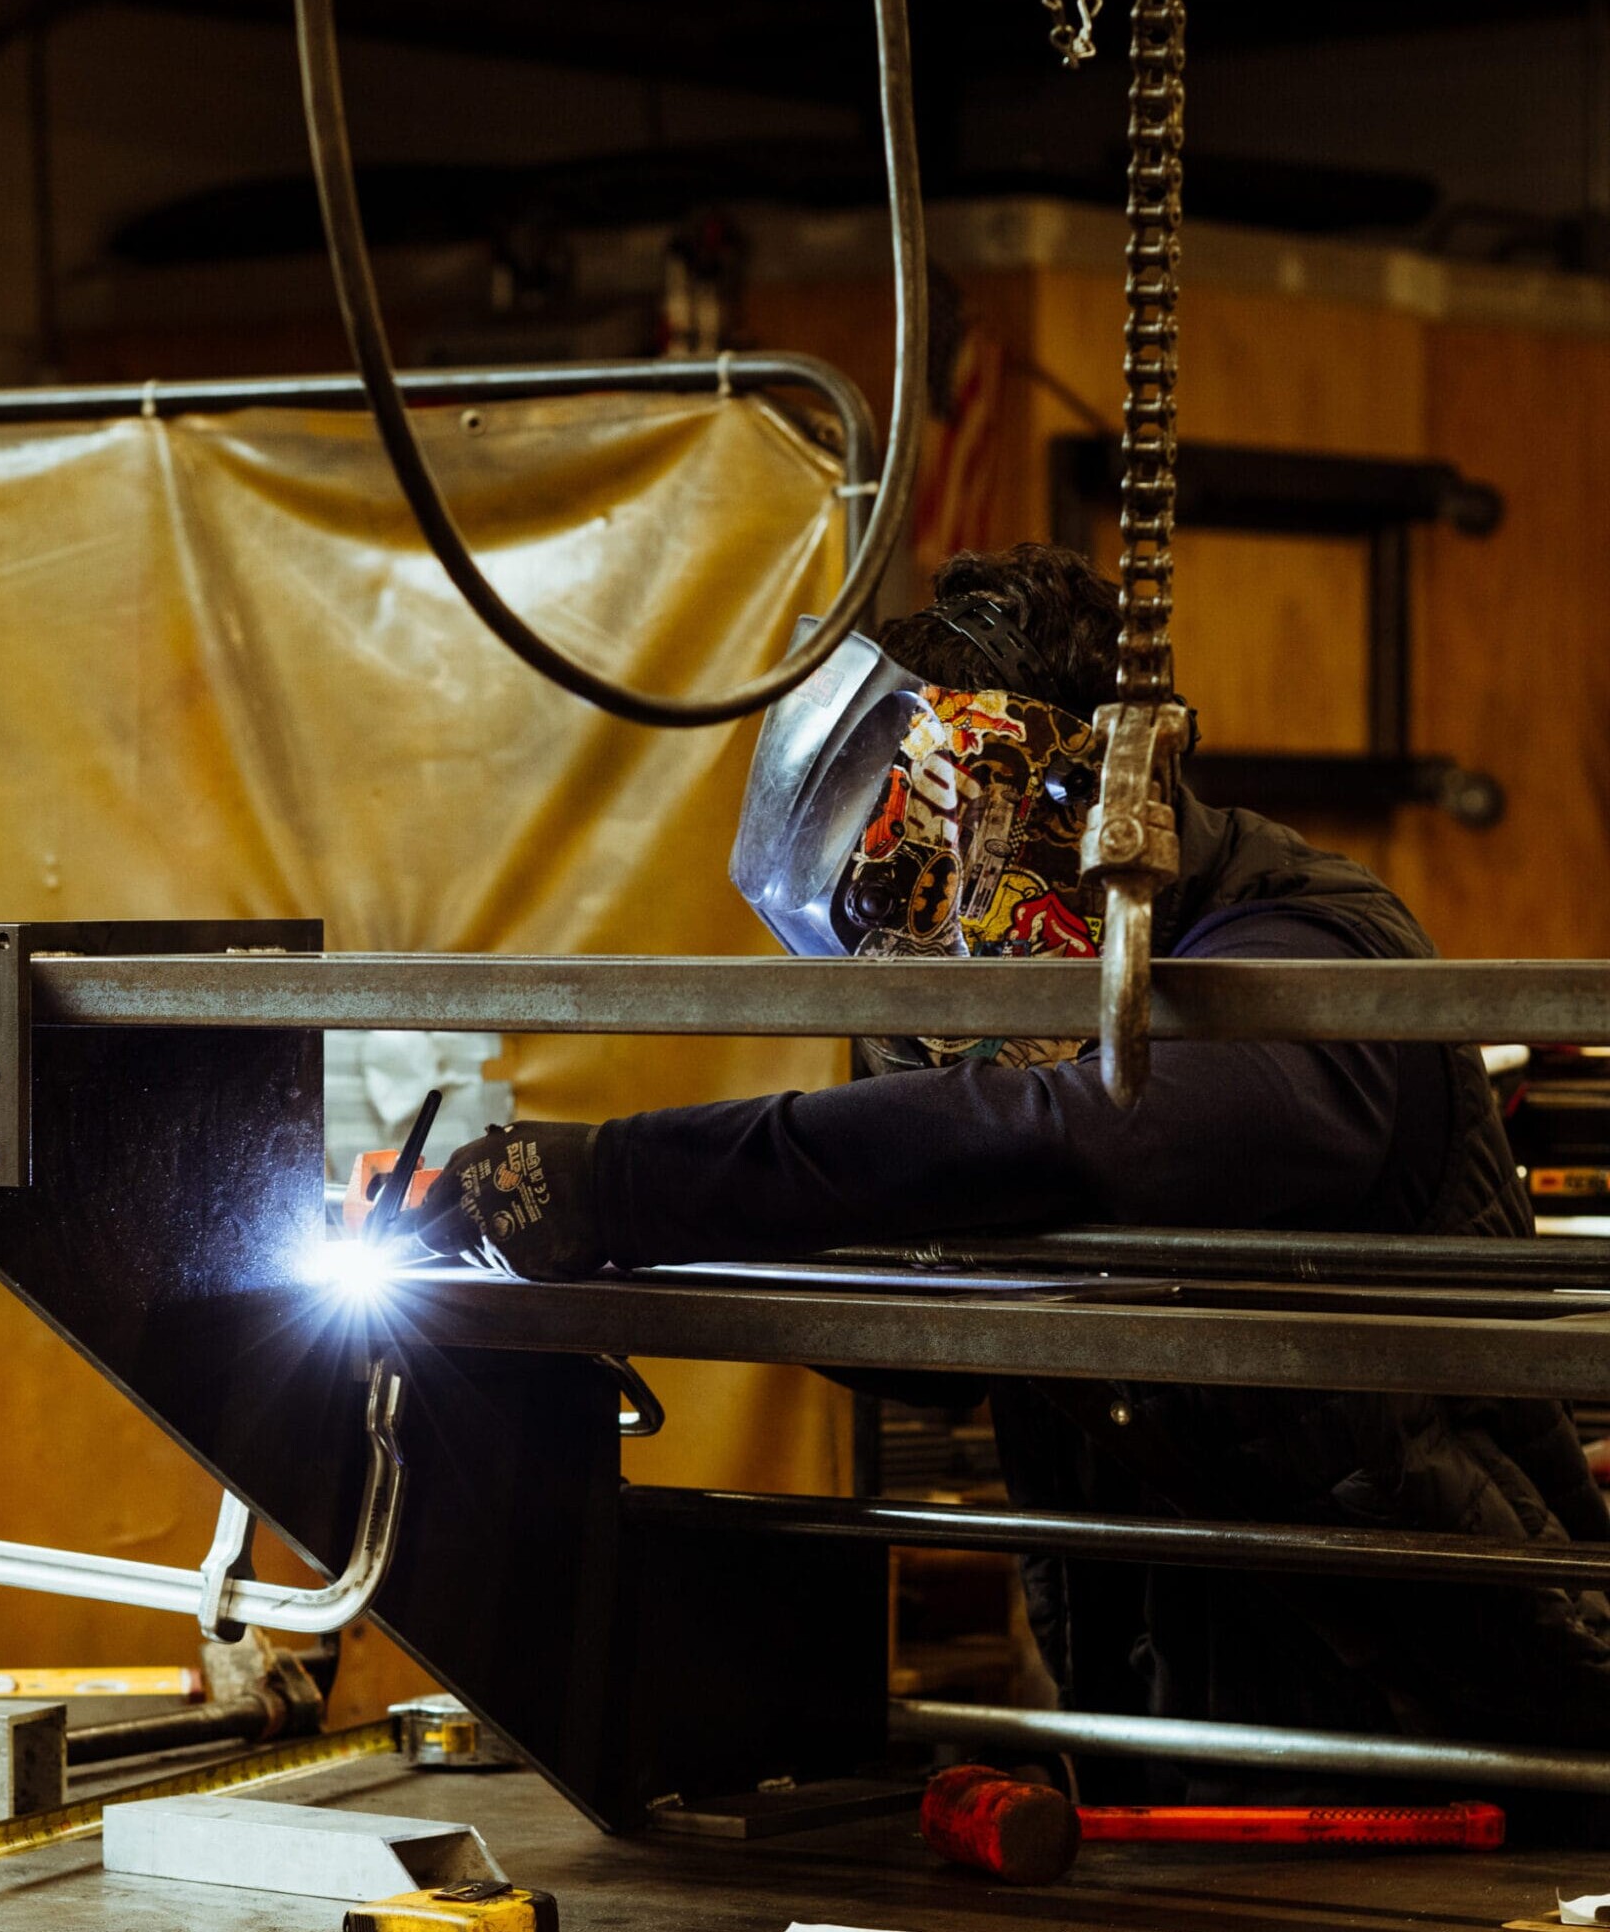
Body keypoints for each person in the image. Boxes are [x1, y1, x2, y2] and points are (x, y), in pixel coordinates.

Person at [411, 542, 1610, 1816]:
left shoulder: (1311, 949)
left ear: (1061, 796)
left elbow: (1074, 1130)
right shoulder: (1024, 1030)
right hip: (1167, 1729)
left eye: (923, 900)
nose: (920, 967)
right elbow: (925, 1333)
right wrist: (617, 1267)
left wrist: (630, 1177)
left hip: (1460, 1723)